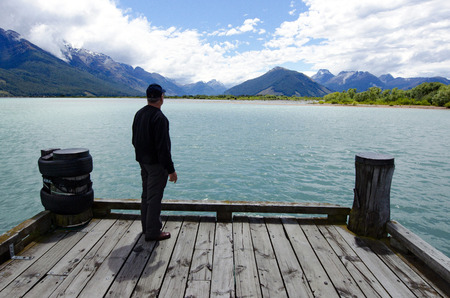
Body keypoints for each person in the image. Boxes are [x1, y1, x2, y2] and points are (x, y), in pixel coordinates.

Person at [132, 83, 177, 241]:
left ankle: (146, 227)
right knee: (155, 198)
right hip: (156, 165)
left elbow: (134, 140)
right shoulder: (160, 118)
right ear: (161, 98)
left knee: (146, 195)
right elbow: (163, 149)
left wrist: (141, 158)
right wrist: (171, 170)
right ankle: (153, 232)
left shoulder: (139, 114)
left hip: (143, 162)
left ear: (148, 97)